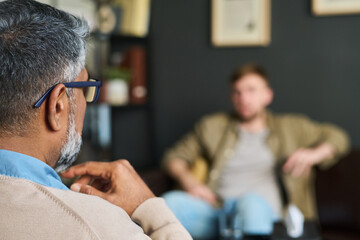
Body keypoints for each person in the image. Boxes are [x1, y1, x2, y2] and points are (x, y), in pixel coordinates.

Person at [0, 0, 192, 239]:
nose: (85, 101)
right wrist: (148, 207)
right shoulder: (97, 226)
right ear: (57, 106)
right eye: (85, 87)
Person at [162, 63, 350, 239]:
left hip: (261, 213)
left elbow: (339, 137)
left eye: (251, 90)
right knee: (168, 204)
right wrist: (190, 182)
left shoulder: (292, 127)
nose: (243, 98)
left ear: (268, 95)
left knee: (250, 205)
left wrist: (313, 154)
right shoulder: (211, 126)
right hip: (216, 211)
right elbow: (173, 157)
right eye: (237, 92)